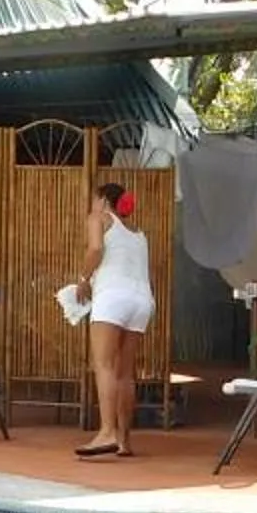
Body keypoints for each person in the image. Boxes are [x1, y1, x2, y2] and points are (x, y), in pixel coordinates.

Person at [76, 181, 155, 459]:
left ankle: (106, 432)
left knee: (104, 365)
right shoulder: (138, 233)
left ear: (102, 200)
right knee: (124, 372)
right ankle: (123, 440)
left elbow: (96, 249)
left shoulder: (99, 218)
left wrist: (83, 280)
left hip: (113, 298)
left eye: (94, 199)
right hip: (142, 301)